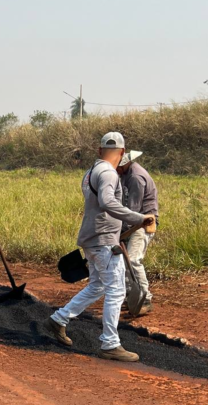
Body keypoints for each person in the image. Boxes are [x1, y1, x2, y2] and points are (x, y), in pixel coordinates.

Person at [44, 132, 154, 362]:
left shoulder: (90, 172)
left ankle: (59, 319)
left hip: (93, 237)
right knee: (116, 290)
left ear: (99, 150)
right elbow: (107, 201)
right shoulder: (108, 173)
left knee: (98, 286)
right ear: (122, 152)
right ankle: (110, 344)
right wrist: (137, 217)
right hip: (103, 240)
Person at [116, 150, 158, 315]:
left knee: (133, 260)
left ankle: (145, 300)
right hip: (134, 223)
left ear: (125, 162)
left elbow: (133, 210)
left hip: (143, 224)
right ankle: (132, 298)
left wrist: (121, 231)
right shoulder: (126, 174)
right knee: (124, 262)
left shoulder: (135, 178)